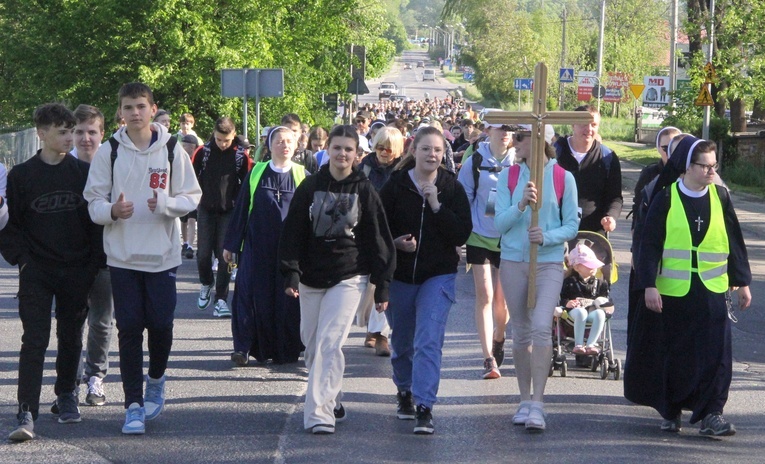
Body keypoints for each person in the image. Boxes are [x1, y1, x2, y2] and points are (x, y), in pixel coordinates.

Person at [84, 82, 201, 435]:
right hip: (122, 255)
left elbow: (191, 196)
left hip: (162, 255)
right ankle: (133, 404)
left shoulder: (170, 148)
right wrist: (112, 211)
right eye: (128, 107)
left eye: (140, 106)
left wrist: (165, 205)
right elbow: (93, 202)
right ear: (120, 112)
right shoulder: (109, 152)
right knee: (130, 328)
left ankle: (156, 379)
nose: (134, 113)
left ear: (153, 109)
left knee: (162, 326)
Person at [278, 125, 395, 435]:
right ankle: (335, 396)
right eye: (337, 148)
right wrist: (290, 272)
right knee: (313, 346)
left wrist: (382, 283)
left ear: (357, 154)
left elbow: (380, 238)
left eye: (348, 149)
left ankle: (319, 413)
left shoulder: (364, 189)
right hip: (311, 276)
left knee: (330, 343)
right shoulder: (310, 186)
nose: (342, 154)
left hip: (349, 275)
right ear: (327, 150)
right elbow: (292, 232)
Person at [635, 138, 752, 437]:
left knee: (717, 354)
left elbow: (734, 240)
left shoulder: (721, 197)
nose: (711, 171)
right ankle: (671, 409)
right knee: (674, 353)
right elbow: (649, 245)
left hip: (712, 289)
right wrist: (649, 285)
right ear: (688, 166)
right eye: (705, 166)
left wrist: (742, 282)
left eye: (714, 166)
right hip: (674, 291)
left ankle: (712, 413)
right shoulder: (666, 198)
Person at [1, 103, 100, 441]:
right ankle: (26, 409)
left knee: (71, 336)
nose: (70, 138)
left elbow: (94, 224)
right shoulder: (21, 176)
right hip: (37, 271)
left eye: (71, 131)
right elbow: (10, 225)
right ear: (41, 133)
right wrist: (22, 260)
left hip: (76, 268)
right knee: (35, 340)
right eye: (62, 131)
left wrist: (91, 264)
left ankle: (66, 395)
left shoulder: (82, 174)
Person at [379, 126, 472, 434]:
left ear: (443, 155)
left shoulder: (451, 188)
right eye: (426, 149)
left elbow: (461, 233)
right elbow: (378, 231)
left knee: (428, 340)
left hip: (438, 275)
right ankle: (404, 390)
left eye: (437, 150)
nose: (432, 155)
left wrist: (436, 206)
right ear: (413, 152)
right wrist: (395, 243)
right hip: (402, 276)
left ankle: (424, 406)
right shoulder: (395, 186)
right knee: (403, 342)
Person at [494, 124, 579, 432]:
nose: (515, 143)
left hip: (548, 263)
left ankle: (539, 404)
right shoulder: (510, 175)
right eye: (516, 137)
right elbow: (500, 224)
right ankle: (524, 399)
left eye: (521, 137)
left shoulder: (562, 178)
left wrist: (547, 237)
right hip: (513, 261)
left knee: (542, 326)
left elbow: (571, 225)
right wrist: (520, 205)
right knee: (520, 331)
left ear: (541, 140)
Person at [222, 127, 307, 366]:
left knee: (287, 299)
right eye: (279, 141)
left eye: (289, 141)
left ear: (296, 145)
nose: (285, 145)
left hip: (289, 251)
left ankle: (285, 349)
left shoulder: (303, 175)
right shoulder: (257, 172)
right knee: (247, 296)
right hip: (256, 245)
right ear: (269, 146)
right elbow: (241, 209)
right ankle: (243, 347)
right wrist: (231, 244)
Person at [457, 123, 515, 379]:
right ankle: (488, 358)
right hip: (479, 235)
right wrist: (462, 232)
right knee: (485, 296)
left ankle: (499, 337)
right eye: (500, 128)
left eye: (510, 130)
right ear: (489, 130)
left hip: (508, 237)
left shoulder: (520, 161)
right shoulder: (475, 159)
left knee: (503, 301)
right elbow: (463, 197)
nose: (505, 133)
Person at [71, 104, 115, 407]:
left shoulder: (113, 165)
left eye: (92, 132)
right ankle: (69, 382)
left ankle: (96, 377)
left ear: (102, 134)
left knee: (102, 321)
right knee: (71, 323)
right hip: (70, 259)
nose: (86, 138)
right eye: (80, 131)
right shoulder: (62, 168)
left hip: (105, 257)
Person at [193, 117, 251, 318]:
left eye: (226, 140)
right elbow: (192, 178)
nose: (222, 144)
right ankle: (206, 282)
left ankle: (220, 299)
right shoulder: (203, 152)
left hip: (229, 211)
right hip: (206, 208)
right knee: (202, 254)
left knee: (225, 256)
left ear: (233, 135)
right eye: (218, 139)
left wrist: (241, 210)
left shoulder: (241, 156)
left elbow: (246, 185)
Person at [356, 127, 404, 356]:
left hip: (391, 231)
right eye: (380, 148)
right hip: (365, 230)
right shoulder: (364, 166)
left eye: (389, 149)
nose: (384, 153)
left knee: (384, 280)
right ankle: (371, 329)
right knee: (367, 284)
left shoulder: (403, 170)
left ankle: (381, 335)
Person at [555, 105, 622, 235]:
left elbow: (615, 197)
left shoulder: (607, 157)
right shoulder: (554, 152)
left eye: (593, 124)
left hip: (593, 235)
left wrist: (611, 217)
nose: (589, 129)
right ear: (572, 125)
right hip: (555, 231)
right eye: (583, 124)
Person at [560, 243, 610, 355]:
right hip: (574, 313)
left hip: (591, 311)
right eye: (589, 265)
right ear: (577, 267)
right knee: (581, 312)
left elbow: (605, 299)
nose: (593, 268)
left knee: (600, 314)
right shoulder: (570, 282)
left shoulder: (600, 283)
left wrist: (604, 303)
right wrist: (567, 303)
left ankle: (591, 344)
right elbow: (562, 298)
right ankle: (578, 344)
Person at [180, 134, 201, 259]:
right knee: (183, 219)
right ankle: (185, 242)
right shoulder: (180, 158)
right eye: (183, 145)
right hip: (182, 192)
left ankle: (190, 246)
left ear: (193, 147)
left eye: (185, 146)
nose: (184, 148)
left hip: (193, 193)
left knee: (192, 219)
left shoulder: (197, 159)